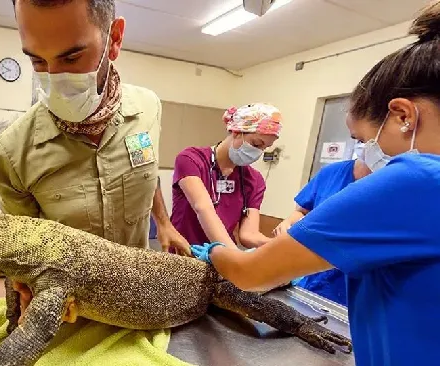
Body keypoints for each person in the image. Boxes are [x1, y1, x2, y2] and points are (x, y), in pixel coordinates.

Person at [190, 3, 440, 364]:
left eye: (366, 139)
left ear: (403, 115)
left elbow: (251, 273)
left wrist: (212, 251)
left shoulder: (416, 180)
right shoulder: (195, 159)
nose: (366, 153)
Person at [0, 0, 190, 320]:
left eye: (72, 56)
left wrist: (164, 222)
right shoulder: (10, 156)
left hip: (142, 295)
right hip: (71, 311)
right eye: (37, 60)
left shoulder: (148, 108)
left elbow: (147, 168)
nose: (55, 77)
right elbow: (25, 250)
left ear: (115, 38)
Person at [171, 103, 281, 250]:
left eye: (264, 148)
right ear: (236, 131)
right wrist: (234, 254)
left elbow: (249, 235)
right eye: (256, 144)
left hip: (222, 259)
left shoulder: (254, 180)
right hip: (185, 253)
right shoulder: (191, 159)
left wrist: (282, 245)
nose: (258, 152)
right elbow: (203, 208)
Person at [273, 143, 371, 305]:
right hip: (314, 286)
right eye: (358, 138)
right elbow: (301, 211)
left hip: (361, 299)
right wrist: (289, 224)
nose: (365, 143)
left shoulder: (403, 187)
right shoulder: (331, 173)